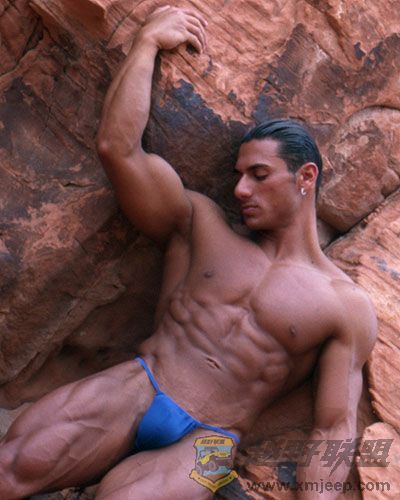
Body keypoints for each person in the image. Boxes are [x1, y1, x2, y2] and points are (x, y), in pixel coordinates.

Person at [0, 5, 377, 500]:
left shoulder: (345, 305)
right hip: (140, 384)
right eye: (239, 175)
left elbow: (333, 429)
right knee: (13, 467)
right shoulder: (202, 225)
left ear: (305, 177)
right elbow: (119, 150)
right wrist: (146, 44)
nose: (240, 189)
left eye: (259, 175)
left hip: (214, 442)